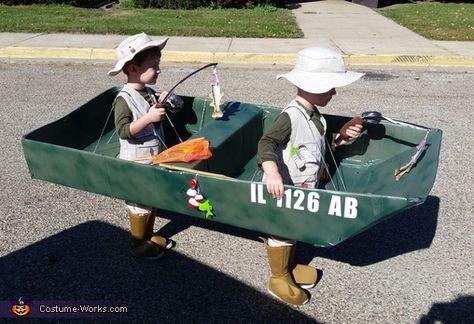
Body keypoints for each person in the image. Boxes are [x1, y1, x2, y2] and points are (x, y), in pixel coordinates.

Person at [257, 46, 365, 305]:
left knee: (292, 229)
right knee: (281, 231)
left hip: (302, 186)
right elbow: (266, 142)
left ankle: (288, 266)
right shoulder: (290, 116)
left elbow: (314, 146)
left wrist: (340, 138)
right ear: (314, 85)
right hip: (284, 187)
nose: (334, 92)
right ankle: (278, 278)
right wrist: (272, 172)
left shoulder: (315, 116)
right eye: (330, 87)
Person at [108, 32, 175, 260]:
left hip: (152, 156)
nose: (158, 70)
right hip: (135, 160)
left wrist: (162, 103)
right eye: (153, 66)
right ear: (133, 68)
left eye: (158, 65)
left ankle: (148, 235)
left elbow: (158, 115)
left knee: (151, 197)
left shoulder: (147, 92)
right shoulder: (123, 99)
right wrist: (148, 117)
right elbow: (124, 131)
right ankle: (138, 242)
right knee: (139, 202)